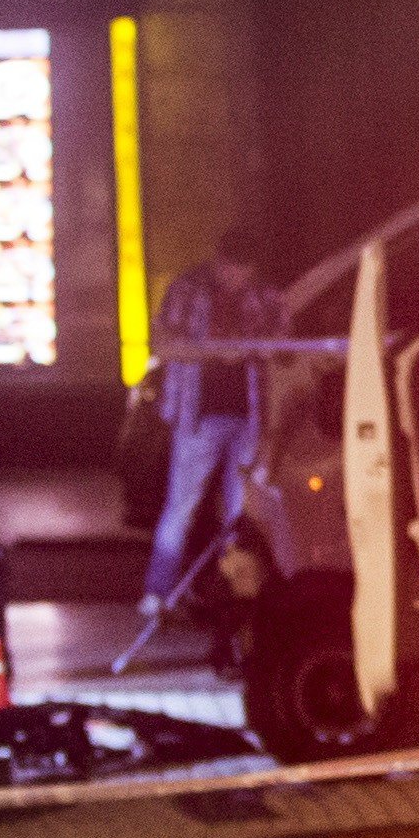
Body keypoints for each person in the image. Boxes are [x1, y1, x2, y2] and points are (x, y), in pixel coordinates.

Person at [144, 225, 280, 616]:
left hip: (247, 416)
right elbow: (165, 342)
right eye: (229, 269)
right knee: (181, 505)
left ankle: (233, 593)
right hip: (199, 417)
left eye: (242, 271)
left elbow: (281, 340)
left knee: (241, 511)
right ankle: (157, 593)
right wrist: (210, 354)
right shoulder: (187, 291)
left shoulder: (262, 297)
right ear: (218, 261)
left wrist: (252, 350)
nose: (235, 278)